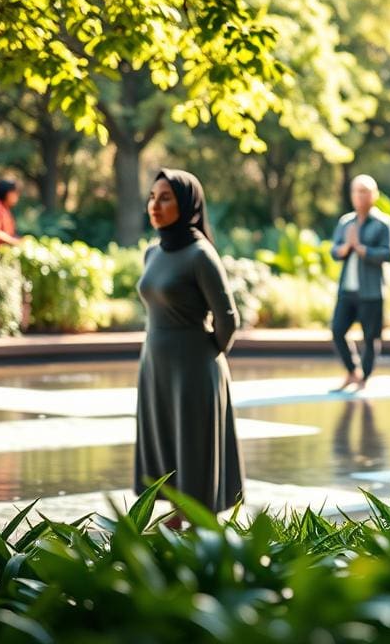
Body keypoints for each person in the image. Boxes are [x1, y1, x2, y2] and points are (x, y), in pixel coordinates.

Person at [134, 168, 243, 526]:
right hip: (155, 365)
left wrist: (204, 355)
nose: (155, 205)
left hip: (195, 367)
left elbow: (228, 319)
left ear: (186, 203)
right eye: (152, 197)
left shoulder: (200, 254)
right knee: (166, 440)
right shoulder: (152, 253)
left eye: (165, 198)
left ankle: (200, 524)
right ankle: (176, 514)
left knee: (194, 445)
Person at [330, 174, 390, 391]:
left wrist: (360, 248)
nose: (360, 196)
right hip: (347, 290)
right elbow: (334, 251)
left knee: (370, 337)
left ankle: (364, 378)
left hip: (371, 292)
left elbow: (388, 253)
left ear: (374, 195)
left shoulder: (383, 223)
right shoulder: (345, 222)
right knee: (337, 330)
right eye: (357, 191)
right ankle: (352, 371)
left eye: (365, 191)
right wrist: (346, 248)